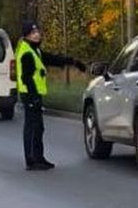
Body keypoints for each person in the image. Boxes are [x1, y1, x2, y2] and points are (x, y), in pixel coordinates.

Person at [15, 21, 87, 170]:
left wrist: (72, 62)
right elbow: (26, 78)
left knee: (38, 127)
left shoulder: (35, 50)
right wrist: (33, 98)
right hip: (30, 94)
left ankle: (39, 158)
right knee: (32, 127)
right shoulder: (27, 53)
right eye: (32, 33)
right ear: (26, 35)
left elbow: (52, 59)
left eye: (37, 32)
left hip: (34, 94)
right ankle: (31, 160)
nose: (36, 35)